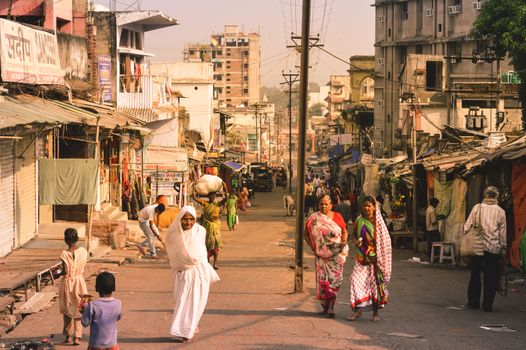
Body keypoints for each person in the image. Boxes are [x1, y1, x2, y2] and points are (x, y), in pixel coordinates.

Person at [166, 206, 220, 343]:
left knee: (196, 302)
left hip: (198, 272)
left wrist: (191, 259)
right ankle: (189, 327)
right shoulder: (173, 233)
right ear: (180, 218)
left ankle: (186, 331)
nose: (188, 222)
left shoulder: (200, 231)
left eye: (191, 219)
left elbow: (200, 252)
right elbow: (173, 254)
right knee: (182, 301)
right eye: (185, 219)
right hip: (181, 274)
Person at [348, 196, 392, 322]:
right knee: (354, 281)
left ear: (374, 207)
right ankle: (357, 311)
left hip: (375, 260)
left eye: (369, 206)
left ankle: (375, 313)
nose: (366, 208)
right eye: (364, 206)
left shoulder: (378, 223)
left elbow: (385, 242)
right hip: (362, 258)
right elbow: (354, 236)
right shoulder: (359, 220)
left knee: (375, 286)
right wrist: (357, 243)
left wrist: (378, 255)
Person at [304, 195, 349, 318]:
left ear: (331, 205)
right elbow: (305, 234)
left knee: (333, 282)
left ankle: (331, 307)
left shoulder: (338, 217)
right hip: (321, 256)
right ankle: (326, 307)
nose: (324, 206)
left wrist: (343, 242)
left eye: (326, 204)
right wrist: (314, 247)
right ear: (318, 205)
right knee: (323, 281)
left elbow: (345, 231)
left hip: (336, 256)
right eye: (321, 204)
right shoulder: (314, 218)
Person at [465, 186, 507, 312]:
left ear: (485, 195)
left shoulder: (477, 208)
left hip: (476, 246)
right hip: (493, 248)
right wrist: (503, 249)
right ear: (496, 196)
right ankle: (487, 305)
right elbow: (502, 233)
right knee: (490, 276)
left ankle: (473, 302)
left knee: (475, 274)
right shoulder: (500, 211)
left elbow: (467, 226)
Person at [59, 228, 88, 346]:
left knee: (67, 309)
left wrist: (57, 273)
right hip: (80, 282)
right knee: (79, 309)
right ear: (77, 238)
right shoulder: (83, 251)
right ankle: (77, 337)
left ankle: (68, 336)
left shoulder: (64, 254)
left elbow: (65, 271)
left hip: (67, 283)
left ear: (66, 239)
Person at [81, 272, 121, 350]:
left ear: (96, 288)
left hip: (95, 345)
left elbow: (85, 323)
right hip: (112, 344)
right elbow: (118, 317)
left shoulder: (92, 305)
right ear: (114, 287)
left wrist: (84, 311)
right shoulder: (118, 303)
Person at [193, 185, 228, 269]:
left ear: (215, 197)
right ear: (208, 197)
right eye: (210, 196)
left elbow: (226, 199)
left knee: (216, 247)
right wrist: (195, 188)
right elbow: (195, 198)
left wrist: (225, 188)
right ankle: (207, 263)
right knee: (207, 247)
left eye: (213, 196)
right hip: (207, 228)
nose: (212, 197)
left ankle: (215, 263)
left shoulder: (218, 204)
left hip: (216, 229)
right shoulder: (205, 204)